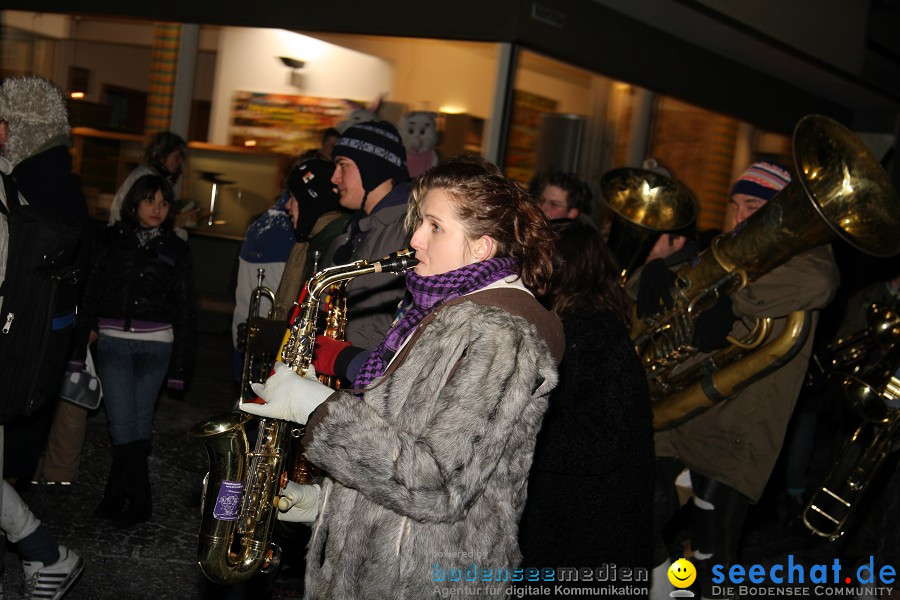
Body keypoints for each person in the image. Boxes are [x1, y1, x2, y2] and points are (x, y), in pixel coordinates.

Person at [242, 157, 565, 599]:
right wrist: (328, 505)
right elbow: (401, 445)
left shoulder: (499, 336)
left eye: (435, 226)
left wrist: (319, 408)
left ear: (482, 247)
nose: (414, 239)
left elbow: (437, 485)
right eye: (419, 223)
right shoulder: (440, 310)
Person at [645, 161, 840, 599]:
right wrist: (656, 274)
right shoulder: (728, 252)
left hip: (736, 432)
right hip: (684, 419)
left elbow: (822, 280)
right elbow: (678, 295)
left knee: (712, 558)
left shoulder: (806, 258)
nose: (738, 218)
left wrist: (729, 301)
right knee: (638, 522)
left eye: (752, 205)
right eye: (735, 205)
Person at [518, 220, 653, 582]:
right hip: (573, 530)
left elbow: (596, 443)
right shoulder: (575, 328)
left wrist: (518, 428)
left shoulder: (596, 336)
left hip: (588, 542)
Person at [72, 174, 194, 527]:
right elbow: (90, 291)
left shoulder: (177, 248)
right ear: (134, 203)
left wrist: (180, 368)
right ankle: (140, 499)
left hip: (157, 348)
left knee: (137, 425)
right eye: (149, 200)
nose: (157, 208)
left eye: (164, 202)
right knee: (123, 424)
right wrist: (81, 345)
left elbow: (186, 309)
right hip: (114, 343)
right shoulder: (109, 241)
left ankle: (115, 498)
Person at [0, 76, 93, 491]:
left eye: (6, 124)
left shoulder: (33, 183)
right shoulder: (53, 178)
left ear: (23, 128)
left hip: (26, 331)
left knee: (14, 442)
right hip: (41, 331)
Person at [320, 120, 413, 350]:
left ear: (372, 168)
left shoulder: (407, 230)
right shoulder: (359, 225)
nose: (334, 177)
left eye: (343, 165)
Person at [272, 158, 350, 320]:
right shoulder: (316, 240)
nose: (287, 206)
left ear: (309, 204)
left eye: (293, 198)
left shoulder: (329, 245)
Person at [107, 131, 196, 237]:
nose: (180, 162)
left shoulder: (156, 177)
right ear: (162, 155)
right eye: (176, 157)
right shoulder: (144, 177)